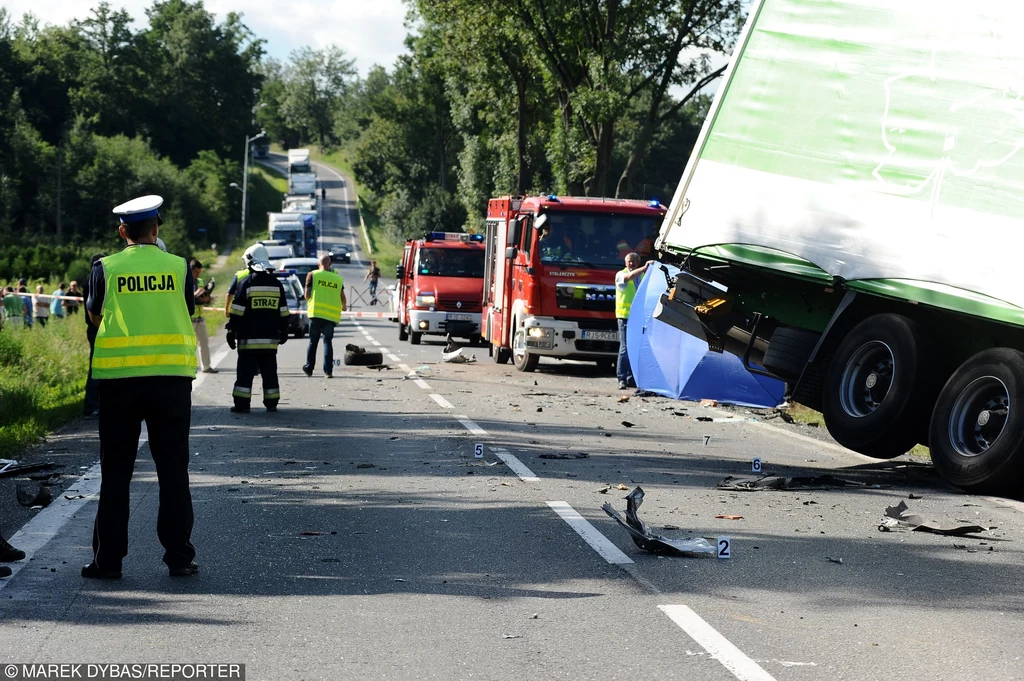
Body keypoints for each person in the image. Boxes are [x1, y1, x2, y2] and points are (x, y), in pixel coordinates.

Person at [83, 194, 199, 579]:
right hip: (171, 382)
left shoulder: (105, 268)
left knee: (116, 475)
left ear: (122, 231)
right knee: (173, 472)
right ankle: (180, 558)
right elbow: (187, 310)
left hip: (119, 383)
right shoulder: (180, 267)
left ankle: (108, 561)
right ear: (156, 229)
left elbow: (95, 315)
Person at [227, 245, 289, 413]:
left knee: (245, 374)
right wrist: (284, 331)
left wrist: (231, 332)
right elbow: (284, 312)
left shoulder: (246, 283)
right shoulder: (277, 285)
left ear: (250, 261)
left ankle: (242, 404)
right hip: (270, 342)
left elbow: (237, 312)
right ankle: (271, 403)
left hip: (248, 342)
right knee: (270, 373)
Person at [303, 255, 345, 378]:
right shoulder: (337, 278)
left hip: (315, 314)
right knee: (327, 342)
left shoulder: (312, 275)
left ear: (318, 264)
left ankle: (309, 368)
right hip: (330, 316)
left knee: (313, 342)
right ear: (330, 264)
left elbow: (307, 295)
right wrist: (344, 306)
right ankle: (328, 371)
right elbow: (342, 296)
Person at [615, 252, 650, 390]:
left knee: (635, 348)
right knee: (625, 348)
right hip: (624, 316)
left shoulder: (641, 276)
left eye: (635, 261)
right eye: (630, 261)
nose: (632, 263)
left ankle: (631, 379)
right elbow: (629, 277)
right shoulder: (620, 274)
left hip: (637, 317)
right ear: (625, 262)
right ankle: (621, 378)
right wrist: (645, 268)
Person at [82, 253, 105, 417]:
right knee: (96, 367)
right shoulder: (94, 283)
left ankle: (94, 403)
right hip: (96, 327)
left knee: (96, 365)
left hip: (92, 328)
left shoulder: (88, 282)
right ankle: (91, 405)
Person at [190, 259, 217, 374]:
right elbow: (186, 298)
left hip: (200, 316)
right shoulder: (185, 281)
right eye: (196, 272)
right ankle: (191, 367)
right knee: (190, 344)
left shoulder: (200, 281)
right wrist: (197, 294)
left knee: (204, 342)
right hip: (190, 317)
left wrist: (207, 298)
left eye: (199, 272)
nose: (198, 274)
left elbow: (206, 298)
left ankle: (206, 366)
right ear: (191, 270)